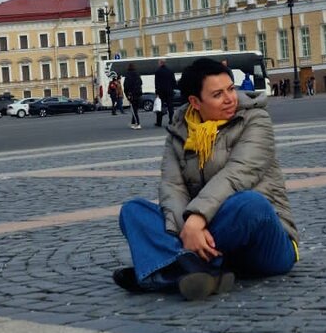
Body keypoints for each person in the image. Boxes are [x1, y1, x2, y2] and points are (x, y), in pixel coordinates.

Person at [113, 57, 299, 300]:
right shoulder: (179, 131)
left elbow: (237, 175)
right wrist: (189, 227)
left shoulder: (255, 119)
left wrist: (196, 219)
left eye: (231, 89)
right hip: (213, 238)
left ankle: (166, 269)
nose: (230, 98)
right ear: (195, 102)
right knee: (133, 210)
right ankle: (192, 267)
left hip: (265, 240)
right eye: (218, 94)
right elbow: (173, 187)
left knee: (250, 203)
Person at [154, 59, 176, 127]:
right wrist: (172, 89)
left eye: (159, 63)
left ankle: (159, 122)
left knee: (160, 106)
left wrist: (157, 92)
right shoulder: (170, 71)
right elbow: (173, 82)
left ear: (160, 63)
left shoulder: (157, 71)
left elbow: (156, 83)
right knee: (170, 106)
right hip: (169, 91)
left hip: (161, 92)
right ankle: (171, 120)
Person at [123, 63, 143, 130]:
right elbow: (140, 82)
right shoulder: (137, 74)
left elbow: (126, 86)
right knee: (135, 109)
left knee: (134, 110)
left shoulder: (128, 75)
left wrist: (127, 95)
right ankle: (133, 123)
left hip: (132, 94)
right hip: (138, 94)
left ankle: (138, 123)